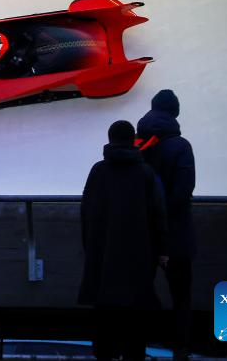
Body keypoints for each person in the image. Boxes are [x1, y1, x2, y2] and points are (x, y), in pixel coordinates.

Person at [79, 120, 168, 361]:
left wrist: (91, 247)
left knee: (105, 316)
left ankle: (105, 354)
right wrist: (161, 249)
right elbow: (158, 214)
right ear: (132, 140)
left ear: (110, 140)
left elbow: (86, 211)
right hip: (138, 257)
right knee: (135, 318)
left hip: (103, 256)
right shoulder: (145, 173)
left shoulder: (98, 171)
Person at [136, 89, 195, 361]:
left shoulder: (138, 143)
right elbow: (184, 189)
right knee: (181, 295)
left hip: (144, 233)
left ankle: (138, 346)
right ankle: (180, 348)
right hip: (176, 234)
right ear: (175, 113)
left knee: (138, 291)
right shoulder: (181, 146)